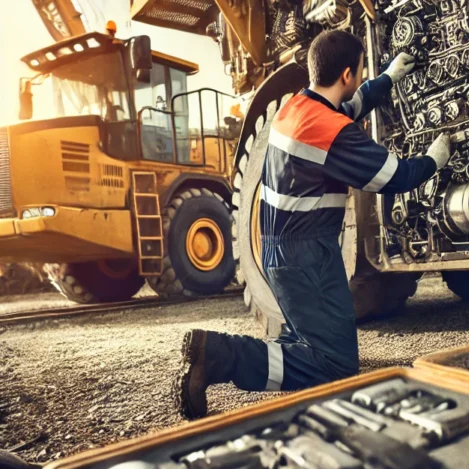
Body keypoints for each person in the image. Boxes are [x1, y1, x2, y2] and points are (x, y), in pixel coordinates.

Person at [174, 30, 451, 419]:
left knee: (303, 341)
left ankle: (218, 356)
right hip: (308, 255)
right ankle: (221, 356)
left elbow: (344, 108)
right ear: (348, 74)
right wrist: (435, 158)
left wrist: (387, 78)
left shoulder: (295, 108)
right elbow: (396, 177)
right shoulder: (332, 133)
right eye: (361, 72)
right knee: (335, 365)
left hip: (277, 249)